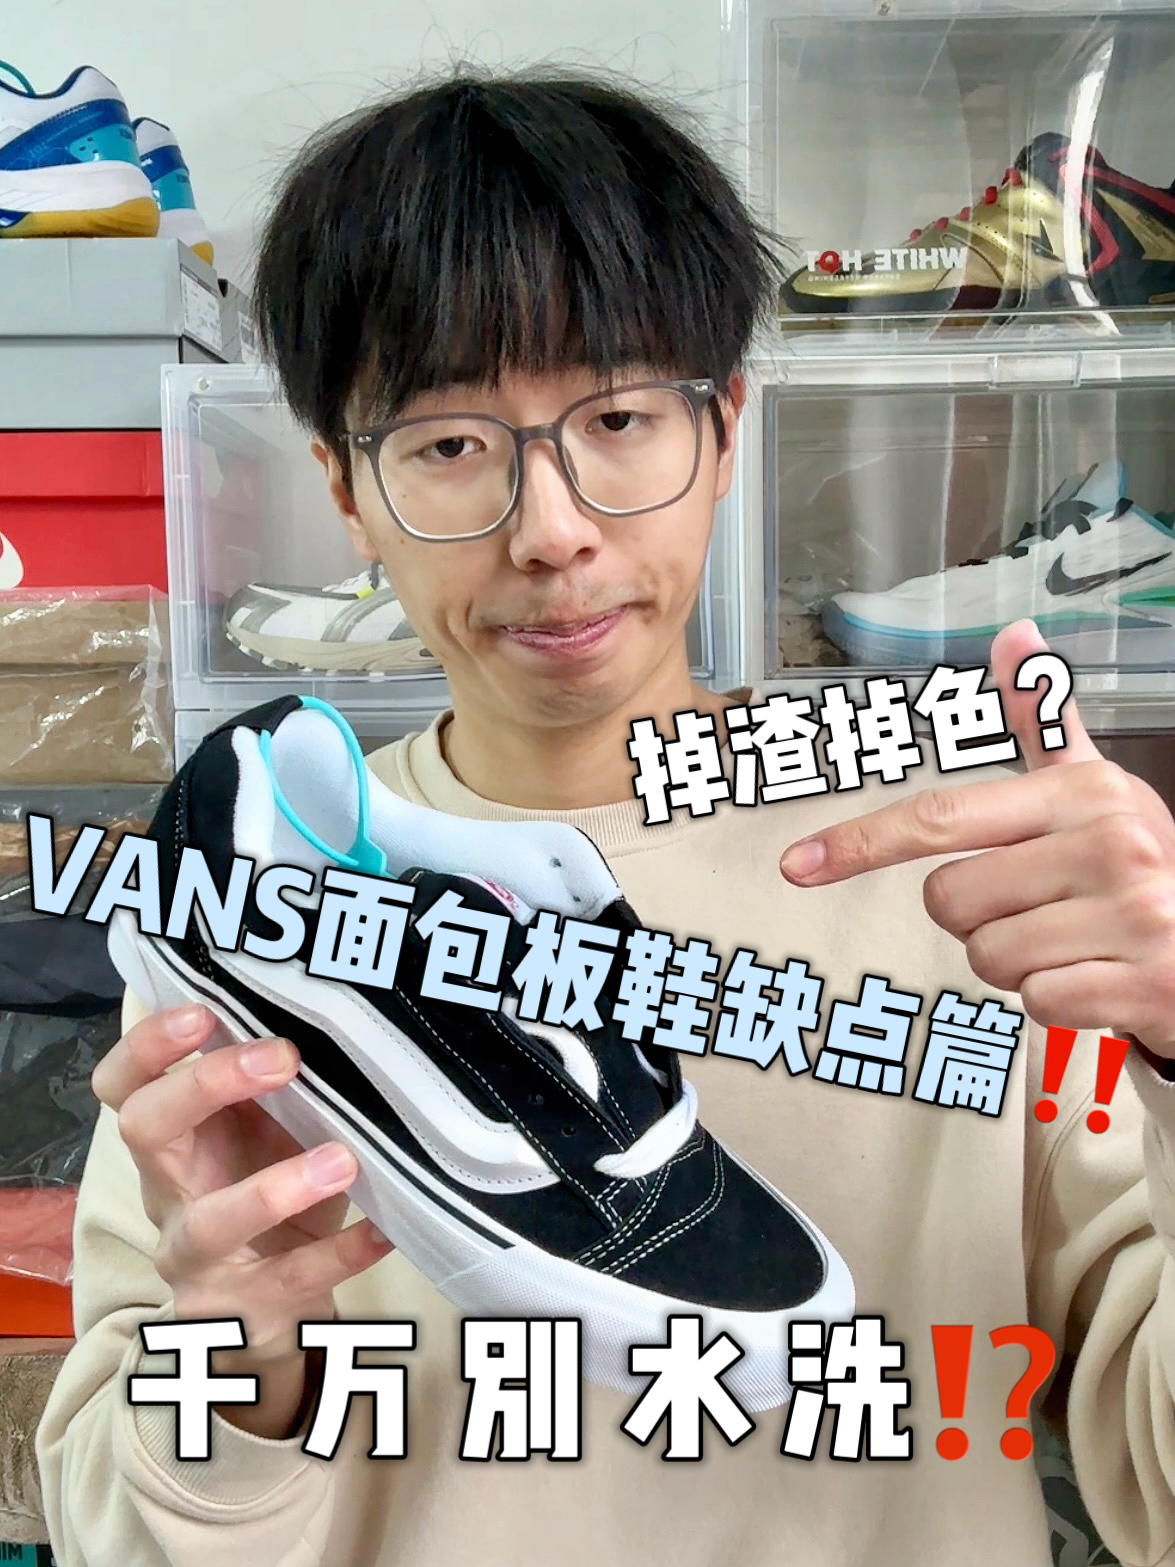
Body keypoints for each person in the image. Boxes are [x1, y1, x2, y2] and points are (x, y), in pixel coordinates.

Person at [36, 68, 1175, 1567]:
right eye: (449, 445)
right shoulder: (250, 913)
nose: (553, 531)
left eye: (621, 417)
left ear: (726, 428)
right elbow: (113, 1534)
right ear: (345, 489)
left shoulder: (977, 872)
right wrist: (240, 1366)